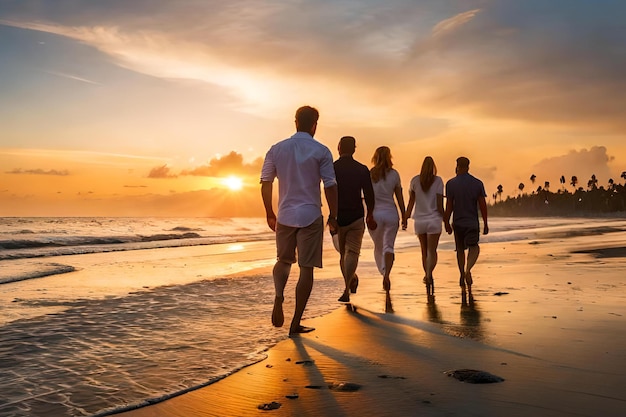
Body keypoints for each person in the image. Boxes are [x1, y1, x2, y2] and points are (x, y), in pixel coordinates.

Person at [260, 105, 338, 336]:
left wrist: (269, 213)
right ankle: (295, 323)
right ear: (315, 124)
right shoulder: (321, 151)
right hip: (311, 214)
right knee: (306, 268)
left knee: (283, 261)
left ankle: (278, 296)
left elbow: (266, 182)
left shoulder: (277, 149)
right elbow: (330, 185)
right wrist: (334, 214)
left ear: (295, 122)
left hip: (284, 214)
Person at [333, 136, 376, 303]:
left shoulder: (332, 168)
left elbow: (326, 190)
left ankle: (346, 287)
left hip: (337, 216)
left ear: (338, 147)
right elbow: (369, 194)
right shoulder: (362, 169)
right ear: (354, 149)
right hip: (357, 216)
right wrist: (370, 213)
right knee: (351, 253)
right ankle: (349, 282)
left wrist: (330, 215)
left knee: (343, 253)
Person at [443, 156, 489, 293]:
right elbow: (482, 206)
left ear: (457, 166)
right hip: (472, 223)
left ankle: (462, 274)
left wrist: (446, 222)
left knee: (460, 250)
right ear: (468, 166)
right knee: (474, 247)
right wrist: (486, 223)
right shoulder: (477, 183)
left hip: (458, 223)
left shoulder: (451, 184)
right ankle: (468, 269)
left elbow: (449, 206)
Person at [403, 156, 444, 295]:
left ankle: (427, 275)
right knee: (432, 251)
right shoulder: (438, 181)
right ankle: (428, 274)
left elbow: (411, 203)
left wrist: (405, 218)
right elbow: (439, 206)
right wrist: (446, 220)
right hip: (434, 220)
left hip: (419, 221)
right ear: (433, 167)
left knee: (424, 251)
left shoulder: (415, 180)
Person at [368, 146, 406, 292]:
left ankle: (383, 271)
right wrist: (404, 215)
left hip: (376, 214)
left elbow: (368, 197)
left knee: (378, 248)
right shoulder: (394, 174)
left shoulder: (371, 174)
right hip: (391, 214)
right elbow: (399, 197)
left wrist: (368, 213)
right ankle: (387, 274)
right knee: (388, 246)